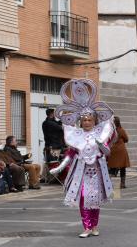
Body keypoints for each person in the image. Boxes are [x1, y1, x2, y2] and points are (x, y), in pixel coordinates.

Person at [49, 79, 115, 238]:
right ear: (81, 121)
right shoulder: (76, 135)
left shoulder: (100, 133)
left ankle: (94, 226)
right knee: (84, 198)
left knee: (95, 199)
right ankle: (86, 227)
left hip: (97, 171)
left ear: (94, 120)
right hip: (81, 172)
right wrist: (59, 167)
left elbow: (106, 152)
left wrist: (102, 145)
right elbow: (71, 154)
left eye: (89, 120)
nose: (86, 122)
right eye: (84, 120)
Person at [107, 116, 131, 189]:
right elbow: (126, 139)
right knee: (122, 168)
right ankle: (122, 184)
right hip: (121, 150)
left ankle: (108, 184)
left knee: (112, 168)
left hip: (112, 150)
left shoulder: (109, 131)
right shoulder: (121, 130)